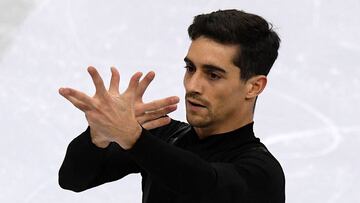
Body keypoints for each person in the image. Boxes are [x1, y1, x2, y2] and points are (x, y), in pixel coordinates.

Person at [58, 9, 285, 203]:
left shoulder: (261, 172)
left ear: (254, 87)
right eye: (190, 69)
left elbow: (203, 183)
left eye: (213, 75)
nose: (193, 85)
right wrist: (99, 136)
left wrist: (133, 137)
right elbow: (73, 179)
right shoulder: (164, 136)